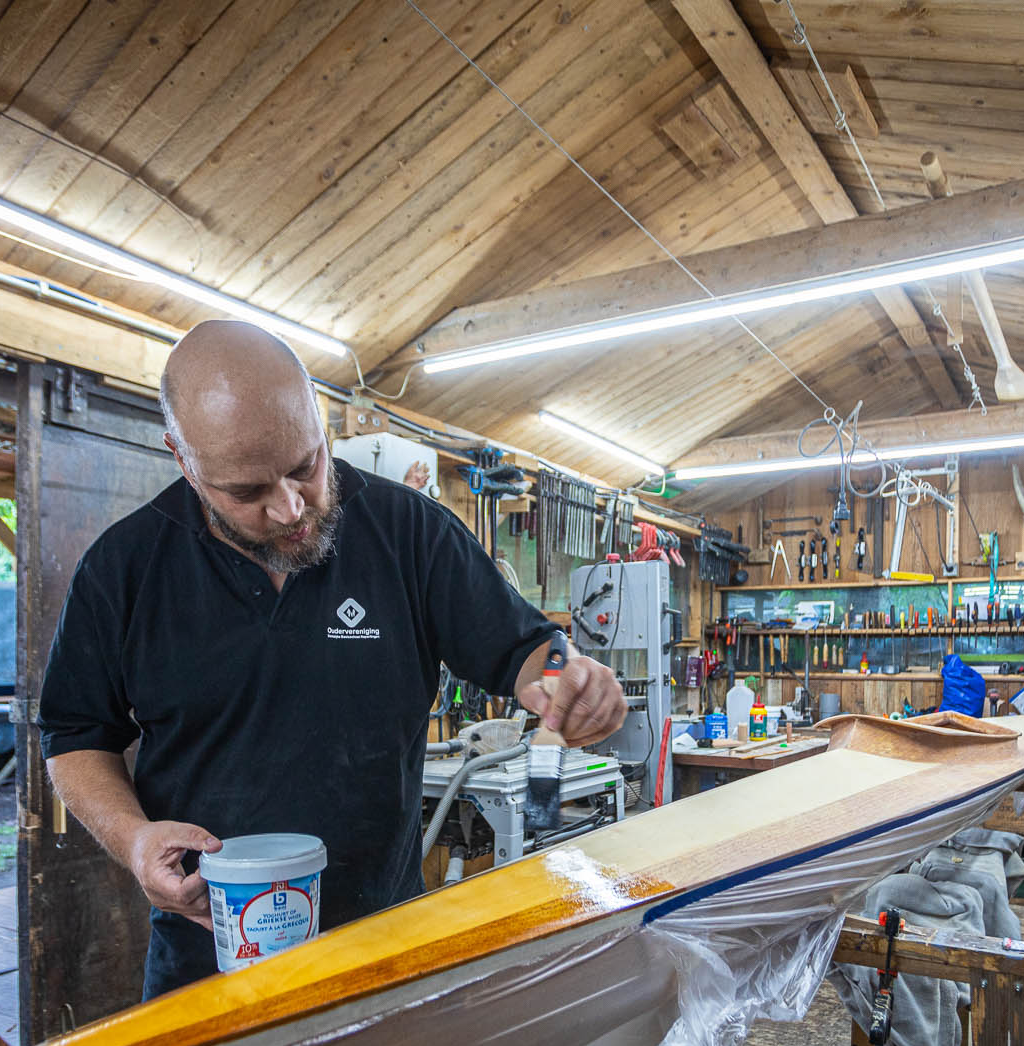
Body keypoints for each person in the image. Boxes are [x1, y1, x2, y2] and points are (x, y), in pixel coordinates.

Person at [37, 321, 626, 997]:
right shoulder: (123, 570)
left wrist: (568, 679)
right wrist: (134, 840)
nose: (291, 508)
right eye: (248, 492)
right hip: (207, 962)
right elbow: (77, 736)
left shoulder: (410, 534)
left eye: (305, 465)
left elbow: (528, 650)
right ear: (183, 457)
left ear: (318, 419)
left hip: (382, 946)